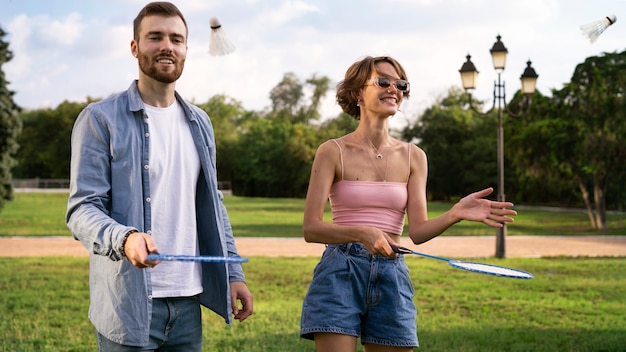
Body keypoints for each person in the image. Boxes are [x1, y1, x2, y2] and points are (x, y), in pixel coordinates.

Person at [65, 2, 253, 350]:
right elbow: (81, 209)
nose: (167, 45)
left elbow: (214, 205)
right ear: (135, 47)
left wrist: (233, 273)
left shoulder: (201, 122)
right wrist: (126, 239)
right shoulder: (100, 119)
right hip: (128, 305)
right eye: (155, 37)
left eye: (176, 39)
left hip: (187, 302)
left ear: (185, 49)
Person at [299, 55, 517, 351]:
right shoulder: (332, 151)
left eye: (400, 83)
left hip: (392, 272)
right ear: (357, 93)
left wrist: (455, 213)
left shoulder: (415, 156)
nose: (394, 89)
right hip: (341, 271)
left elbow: (418, 231)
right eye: (383, 81)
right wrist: (362, 233)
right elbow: (312, 229)